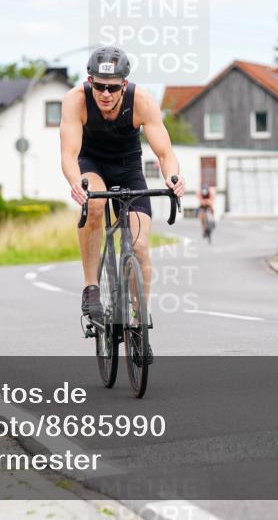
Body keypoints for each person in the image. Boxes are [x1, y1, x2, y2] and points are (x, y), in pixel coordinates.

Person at [60, 46, 186, 357]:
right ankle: (91, 287)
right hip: (92, 164)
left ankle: (138, 317)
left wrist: (173, 178)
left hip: (129, 167)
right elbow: (69, 154)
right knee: (96, 206)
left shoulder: (140, 101)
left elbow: (165, 153)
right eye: (98, 86)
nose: (104, 93)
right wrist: (77, 183)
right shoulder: (76, 99)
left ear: (124, 85)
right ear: (90, 81)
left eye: (112, 87)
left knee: (140, 247)